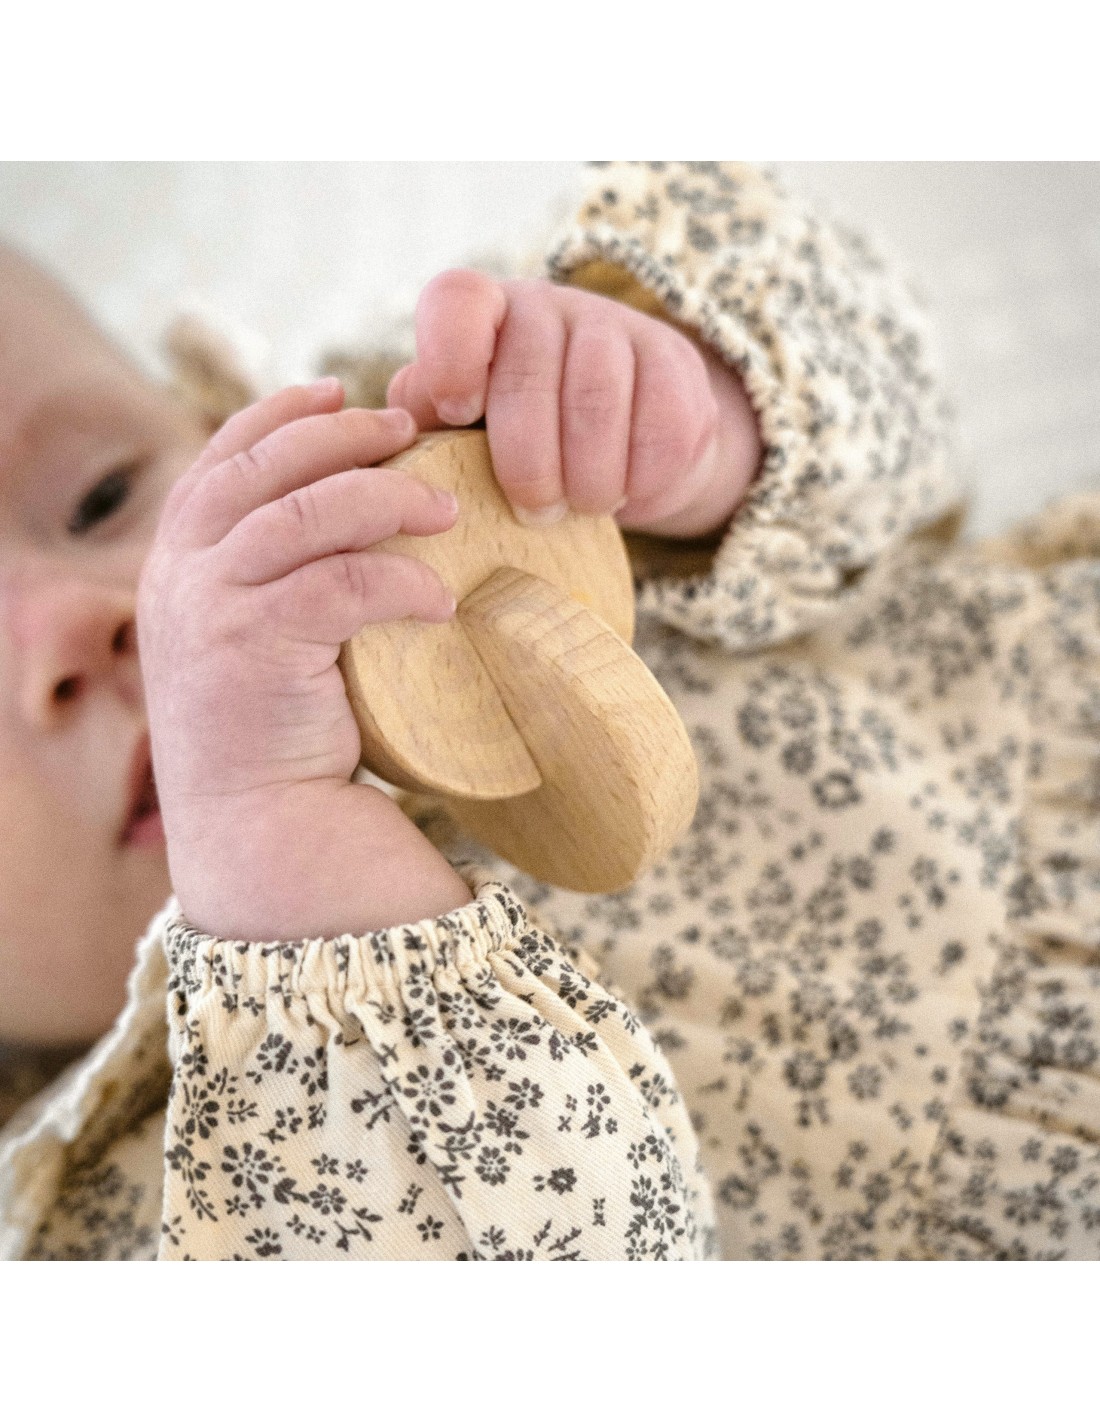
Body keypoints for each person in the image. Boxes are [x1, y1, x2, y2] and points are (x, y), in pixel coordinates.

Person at [2, 162, 1098, 1259]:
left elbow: (896, 410)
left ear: (211, 421)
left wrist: (697, 424)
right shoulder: (115, 1225)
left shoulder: (420, 443)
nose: (72, 627)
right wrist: (271, 848)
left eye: (101, 496)